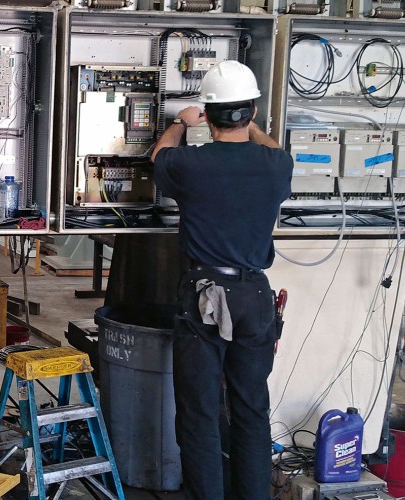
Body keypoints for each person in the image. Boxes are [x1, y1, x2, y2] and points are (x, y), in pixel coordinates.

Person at [151, 60, 293, 500]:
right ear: (251, 112)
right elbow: (273, 148)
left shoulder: (191, 163)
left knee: (199, 413)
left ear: (208, 117)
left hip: (206, 298)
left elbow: (158, 157)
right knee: (251, 410)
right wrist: (252, 128)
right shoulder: (276, 165)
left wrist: (180, 122)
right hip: (255, 296)